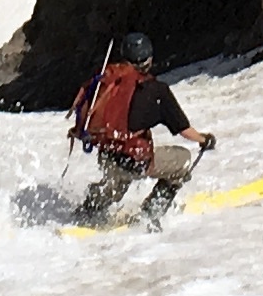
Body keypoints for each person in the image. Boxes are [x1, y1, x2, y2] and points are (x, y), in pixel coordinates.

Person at [69, 33, 217, 227]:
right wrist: (203, 140)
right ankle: (150, 213)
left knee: (116, 185)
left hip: (107, 154)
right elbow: (184, 130)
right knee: (182, 161)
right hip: (135, 159)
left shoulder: (108, 80)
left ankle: (88, 211)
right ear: (149, 60)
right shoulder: (157, 90)